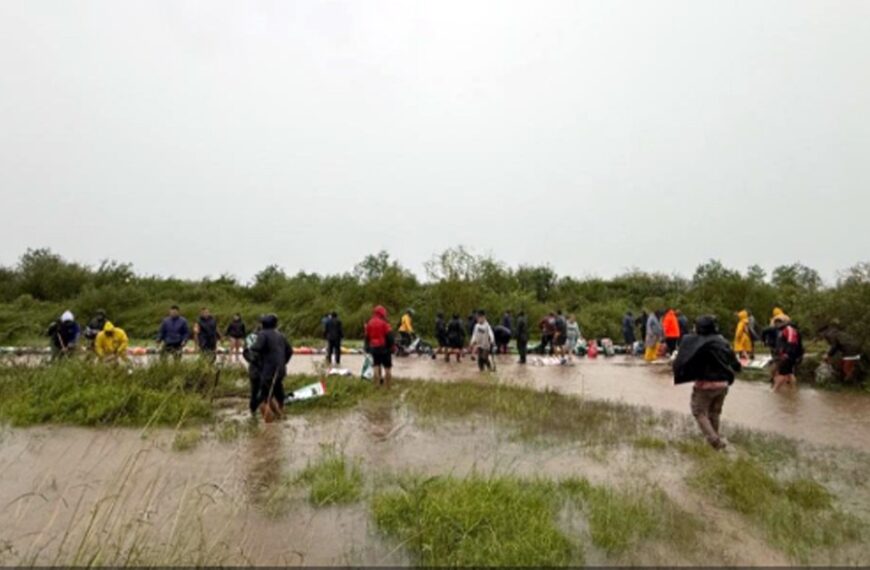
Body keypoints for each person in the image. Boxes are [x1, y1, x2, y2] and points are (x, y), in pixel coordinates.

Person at [673, 316, 742, 451]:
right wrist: (737, 368)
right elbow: (734, 362)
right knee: (714, 412)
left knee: (699, 411)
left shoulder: (695, 342)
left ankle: (715, 441)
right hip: (723, 384)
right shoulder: (722, 341)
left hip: (705, 385)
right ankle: (715, 439)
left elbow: (682, 360)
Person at [249, 314, 293, 421]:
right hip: (280, 371)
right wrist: (283, 362)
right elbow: (290, 351)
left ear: (263, 324)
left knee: (261, 399)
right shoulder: (281, 335)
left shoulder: (263, 334)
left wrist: (251, 351)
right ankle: (280, 417)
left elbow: (256, 348)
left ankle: (269, 424)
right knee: (274, 394)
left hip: (268, 371)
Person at [365, 305, 394, 388]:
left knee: (376, 366)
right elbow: (390, 336)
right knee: (387, 368)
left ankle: (376, 385)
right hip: (384, 348)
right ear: (382, 313)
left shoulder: (369, 323)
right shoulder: (385, 324)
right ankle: (388, 386)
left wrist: (367, 347)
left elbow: (367, 337)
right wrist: (391, 347)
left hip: (374, 348)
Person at [772, 317, 804, 392]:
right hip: (787, 355)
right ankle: (793, 390)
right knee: (789, 373)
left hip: (788, 355)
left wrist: (787, 354)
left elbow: (792, 342)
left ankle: (774, 391)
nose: (776, 325)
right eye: (775, 323)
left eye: (778, 323)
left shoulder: (789, 329)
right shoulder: (783, 330)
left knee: (782, 374)